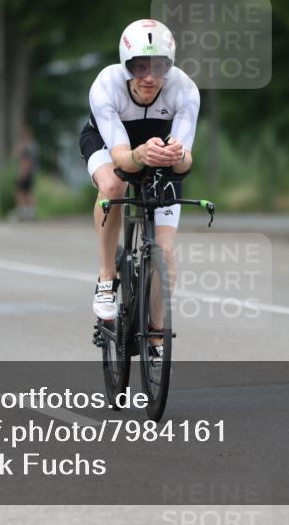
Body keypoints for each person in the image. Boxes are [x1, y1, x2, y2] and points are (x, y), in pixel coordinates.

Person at [79, 19, 200, 347]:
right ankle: (107, 275)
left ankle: (156, 337)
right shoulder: (106, 84)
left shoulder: (185, 89)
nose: (149, 77)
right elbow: (120, 158)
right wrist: (142, 154)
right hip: (109, 146)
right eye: (139, 67)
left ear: (170, 67)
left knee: (166, 253)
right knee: (113, 187)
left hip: (158, 155)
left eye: (159, 67)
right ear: (125, 65)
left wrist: (176, 155)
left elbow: (186, 163)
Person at [14, 127, 38, 220]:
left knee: (27, 192)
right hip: (22, 172)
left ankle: (29, 212)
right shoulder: (23, 144)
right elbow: (16, 154)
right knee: (21, 192)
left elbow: (30, 160)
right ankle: (23, 211)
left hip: (27, 172)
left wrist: (26, 171)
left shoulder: (31, 145)